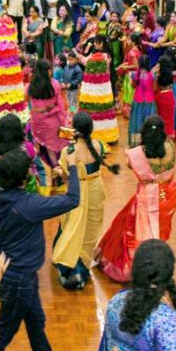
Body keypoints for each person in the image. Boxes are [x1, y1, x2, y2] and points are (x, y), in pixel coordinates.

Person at [0, 148, 79, 351]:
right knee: (4, 331)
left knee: (36, 322)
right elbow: (73, 200)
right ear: (23, 179)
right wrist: (73, 168)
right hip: (20, 279)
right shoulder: (29, 205)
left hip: (12, 274)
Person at [96, 116, 176, 283]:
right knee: (160, 228)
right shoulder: (170, 146)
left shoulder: (134, 154)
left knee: (137, 230)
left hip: (147, 197)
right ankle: (156, 257)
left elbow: (131, 164)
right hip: (169, 194)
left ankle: (141, 265)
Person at [53, 112, 120, 289]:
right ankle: (83, 267)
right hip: (96, 189)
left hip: (77, 192)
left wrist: (58, 171)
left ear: (74, 130)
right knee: (90, 230)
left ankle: (69, 266)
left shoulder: (68, 151)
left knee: (72, 227)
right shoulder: (98, 145)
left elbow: (67, 176)